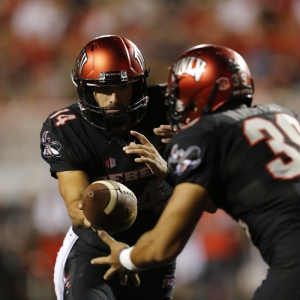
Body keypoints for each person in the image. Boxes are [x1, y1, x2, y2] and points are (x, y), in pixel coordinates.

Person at [92, 44, 300, 300]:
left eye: (180, 93)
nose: (177, 104)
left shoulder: (202, 135)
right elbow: (217, 199)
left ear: (199, 91)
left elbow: (162, 246)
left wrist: (125, 257)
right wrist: (170, 172)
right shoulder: (283, 115)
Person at [40, 35, 177, 300]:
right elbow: (77, 205)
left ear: (139, 86)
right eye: (103, 89)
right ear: (85, 89)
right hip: (96, 249)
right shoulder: (68, 128)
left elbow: (210, 196)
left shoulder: (170, 108)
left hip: (153, 250)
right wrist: (110, 239)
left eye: (123, 86)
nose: (114, 98)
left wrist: (171, 166)